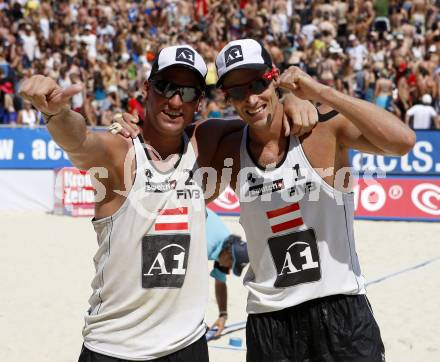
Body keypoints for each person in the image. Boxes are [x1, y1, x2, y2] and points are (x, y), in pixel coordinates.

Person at [19, 43, 318, 361]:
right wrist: (57, 113)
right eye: (166, 87)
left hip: (187, 346)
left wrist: (291, 100)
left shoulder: (205, 142)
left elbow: (260, 117)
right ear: (147, 89)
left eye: (188, 93)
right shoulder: (120, 152)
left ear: (199, 102)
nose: (176, 101)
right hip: (115, 347)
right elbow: (80, 141)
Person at [211, 39, 416, 362]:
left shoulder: (323, 128)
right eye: (237, 92)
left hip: (338, 307)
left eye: (257, 83)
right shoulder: (228, 149)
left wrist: (319, 92)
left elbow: (402, 141)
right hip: (270, 318)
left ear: (274, 77)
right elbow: (180, 138)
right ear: (227, 98)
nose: (250, 98)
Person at [205, 208, 249, 337]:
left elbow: (220, 282)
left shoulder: (226, 245)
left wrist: (223, 314)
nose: (229, 269)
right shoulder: (207, 244)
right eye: (231, 265)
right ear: (229, 255)